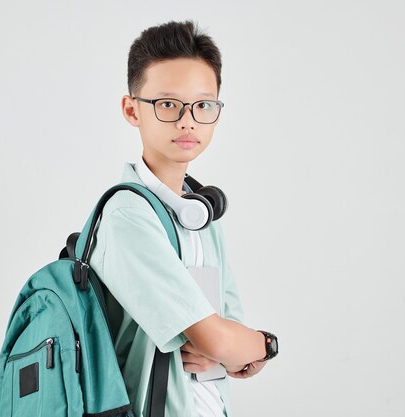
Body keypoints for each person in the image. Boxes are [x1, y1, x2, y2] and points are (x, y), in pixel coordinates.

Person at [88, 20, 279, 417]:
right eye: (168, 104)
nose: (187, 120)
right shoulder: (128, 216)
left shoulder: (203, 217)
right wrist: (262, 343)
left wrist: (230, 347)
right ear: (131, 110)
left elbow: (229, 342)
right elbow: (225, 341)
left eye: (203, 104)